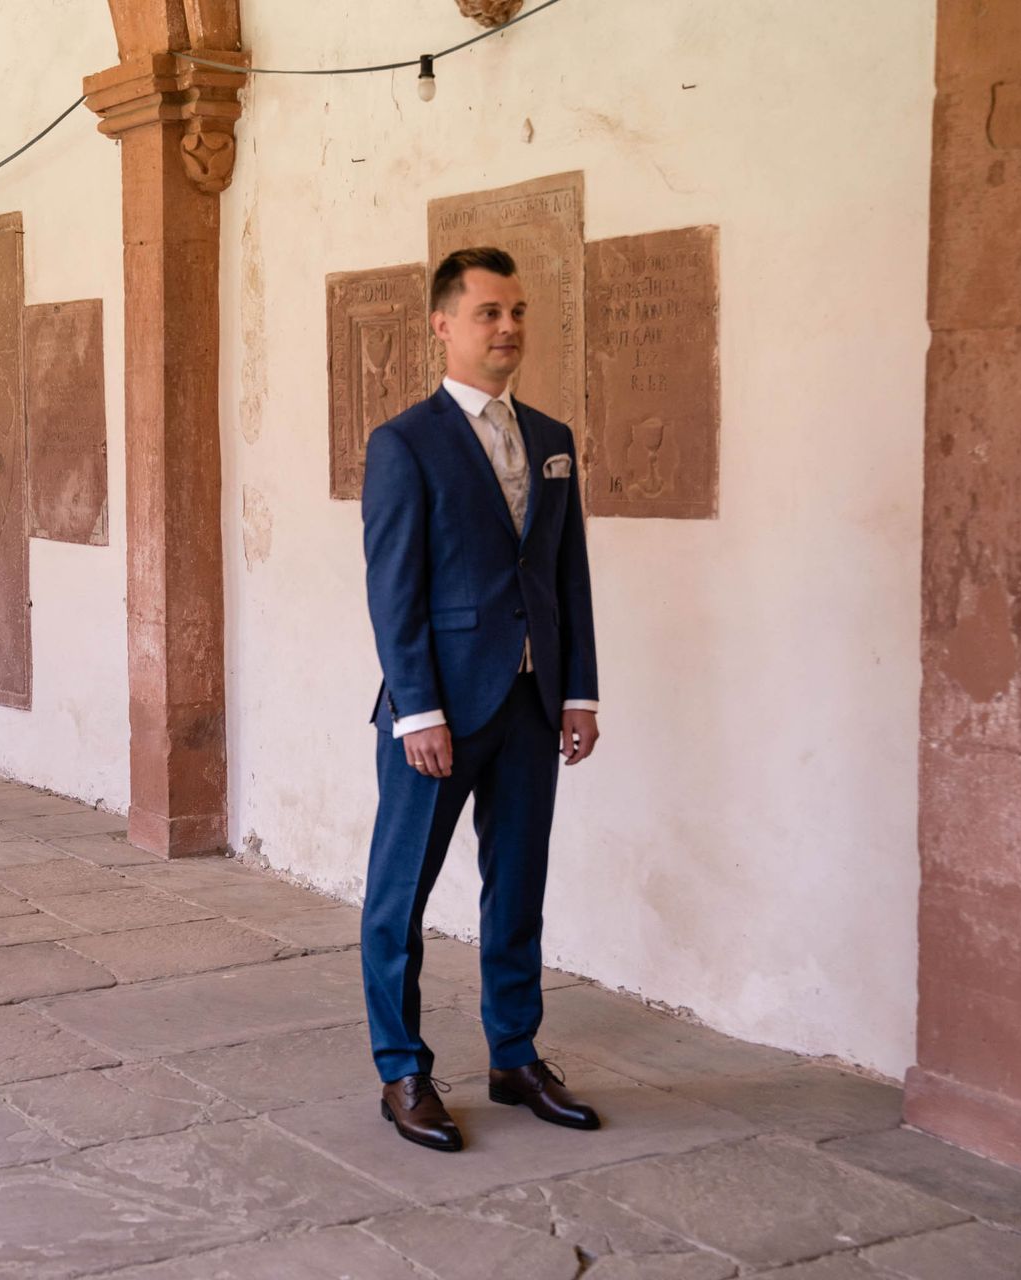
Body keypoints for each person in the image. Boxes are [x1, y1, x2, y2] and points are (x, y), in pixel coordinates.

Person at [359, 246, 601, 1153]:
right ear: (444, 326)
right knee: (399, 896)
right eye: (490, 313)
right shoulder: (405, 442)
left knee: (519, 887)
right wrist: (417, 710)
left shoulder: (552, 439)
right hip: (440, 715)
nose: (508, 328)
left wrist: (579, 689)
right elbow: (394, 587)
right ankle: (401, 1069)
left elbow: (566, 574)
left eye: (519, 312)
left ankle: (514, 1054)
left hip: (535, 705)